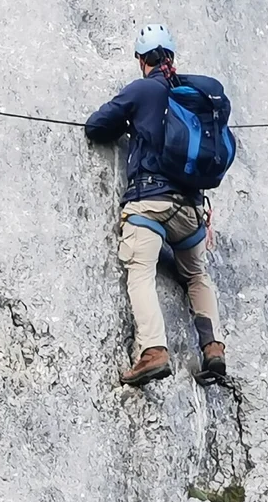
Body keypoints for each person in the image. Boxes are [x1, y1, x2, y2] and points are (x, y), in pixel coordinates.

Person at [84, 23, 230, 387]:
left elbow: (96, 126)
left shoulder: (143, 90)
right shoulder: (195, 94)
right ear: (172, 57)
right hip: (192, 212)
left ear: (140, 59)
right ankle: (212, 348)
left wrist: (129, 124)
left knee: (141, 271)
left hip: (149, 203)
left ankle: (153, 351)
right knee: (197, 275)